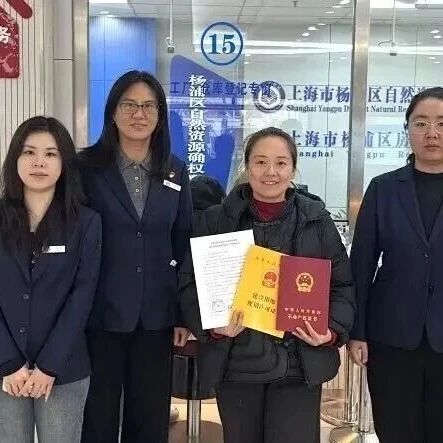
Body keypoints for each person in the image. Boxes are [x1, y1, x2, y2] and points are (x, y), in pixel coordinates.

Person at [180, 127, 355, 443]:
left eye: (281, 163)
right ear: (247, 167)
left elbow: (342, 285)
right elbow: (189, 285)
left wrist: (330, 331)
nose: (270, 172)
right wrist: (214, 326)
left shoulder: (317, 221)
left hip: (299, 364)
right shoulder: (215, 220)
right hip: (235, 363)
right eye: (260, 162)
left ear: (293, 169)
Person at [79, 70, 192, 443]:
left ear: (160, 115)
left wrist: (182, 314)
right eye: (129, 104)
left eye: (148, 106)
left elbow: (183, 241)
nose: (139, 114)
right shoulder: (86, 168)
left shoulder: (175, 169)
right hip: (100, 314)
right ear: (113, 112)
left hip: (156, 316)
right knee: (98, 416)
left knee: (150, 417)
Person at [348, 87, 443, 443]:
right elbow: (361, 264)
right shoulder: (384, 189)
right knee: (396, 429)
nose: (432, 133)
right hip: (391, 337)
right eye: (421, 123)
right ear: (408, 130)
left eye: (441, 123)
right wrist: (357, 331)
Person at [0, 116, 102, 443]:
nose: (39, 162)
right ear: (15, 159)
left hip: (64, 368)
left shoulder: (86, 223)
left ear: (64, 163)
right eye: (29, 152)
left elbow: (82, 295)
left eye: (50, 154)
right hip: (5, 368)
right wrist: (8, 362)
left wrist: (49, 366)